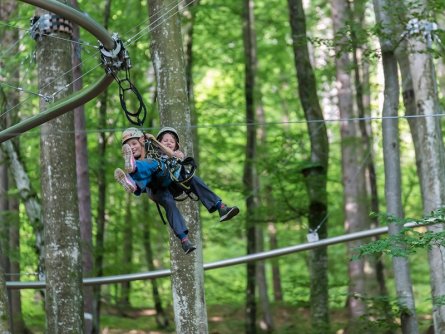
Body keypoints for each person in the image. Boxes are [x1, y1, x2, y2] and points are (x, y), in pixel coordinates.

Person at [114, 127, 240, 254]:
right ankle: (184, 241)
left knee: (191, 178)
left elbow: (173, 155)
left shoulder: (174, 154)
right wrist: (142, 144)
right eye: (165, 141)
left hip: (173, 182)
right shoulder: (149, 155)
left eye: (171, 141)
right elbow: (144, 157)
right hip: (157, 189)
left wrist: (153, 140)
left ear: (176, 145)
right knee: (167, 200)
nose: (168, 142)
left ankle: (221, 207)